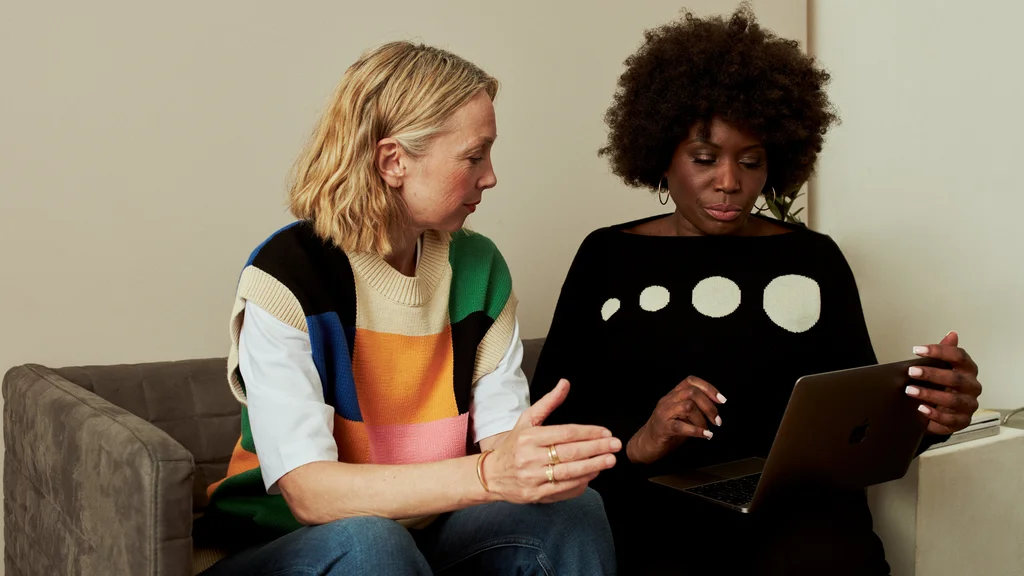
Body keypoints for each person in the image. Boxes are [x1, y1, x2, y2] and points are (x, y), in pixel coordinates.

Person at [529, 7, 983, 575]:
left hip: (803, 521)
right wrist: (641, 440)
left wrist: (930, 417)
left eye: (751, 161)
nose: (729, 181)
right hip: (654, 515)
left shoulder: (812, 258)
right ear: (660, 157)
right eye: (704, 159)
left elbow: (857, 428)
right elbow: (546, 429)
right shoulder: (607, 258)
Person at [197, 41, 620, 575]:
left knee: (571, 511)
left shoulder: (479, 268)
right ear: (394, 161)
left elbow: (503, 446)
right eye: (474, 155)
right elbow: (310, 495)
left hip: (424, 535)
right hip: (275, 547)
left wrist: (537, 465)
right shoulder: (288, 274)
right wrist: (489, 476)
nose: (490, 176)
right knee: (372, 544)